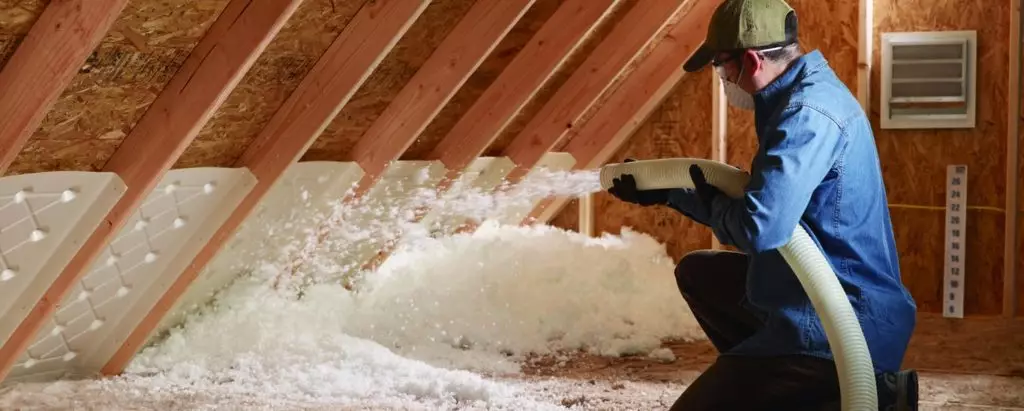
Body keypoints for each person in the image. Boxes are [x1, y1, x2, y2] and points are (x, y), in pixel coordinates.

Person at [606, 0, 920, 410]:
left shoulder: (805, 115)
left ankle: (848, 388)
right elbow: (763, 203)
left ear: (751, 60)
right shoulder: (794, 96)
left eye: (721, 67)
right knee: (701, 273)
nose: (722, 79)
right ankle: (776, 388)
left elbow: (761, 227)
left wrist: (710, 202)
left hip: (840, 324)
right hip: (817, 294)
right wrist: (669, 192)